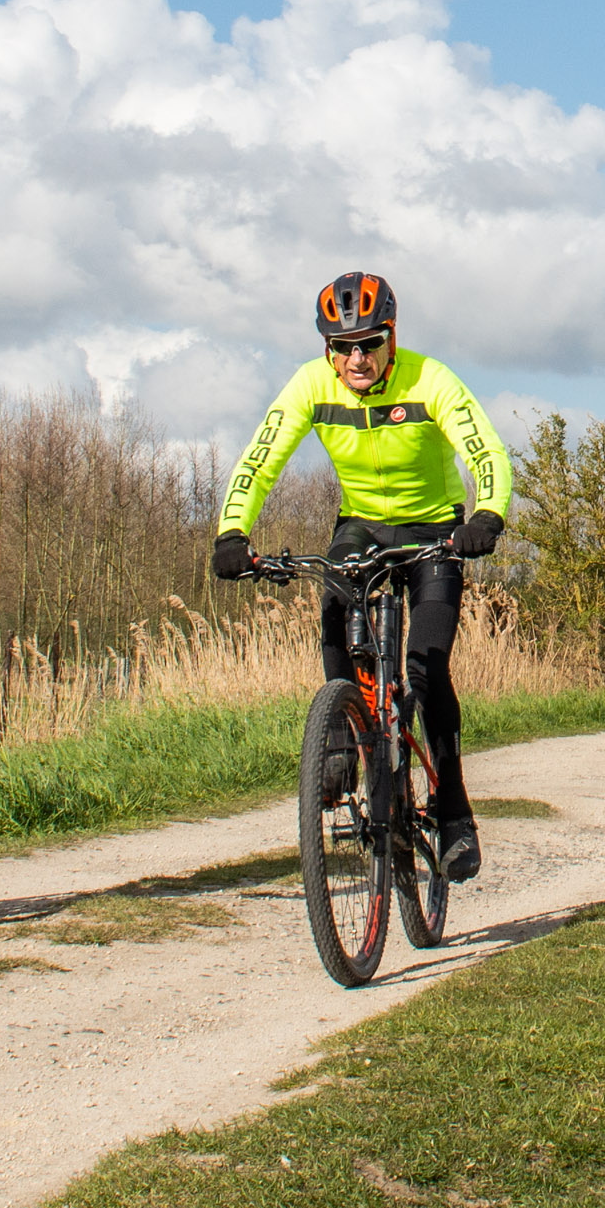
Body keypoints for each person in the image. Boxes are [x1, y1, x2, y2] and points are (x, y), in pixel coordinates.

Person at [210, 270, 510, 883]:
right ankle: (344, 743)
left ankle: (453, 810)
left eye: (369, 342)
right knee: (332, 615)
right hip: (363, 526)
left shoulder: (431, 379)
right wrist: (231, 532)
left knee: (426, 669)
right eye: (342, 346)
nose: (356, 358)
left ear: (391, 338)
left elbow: (486, 451)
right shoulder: (311, 385)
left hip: (434, 530)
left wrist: (488, 514)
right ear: (327, 347)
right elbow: (261, 459)